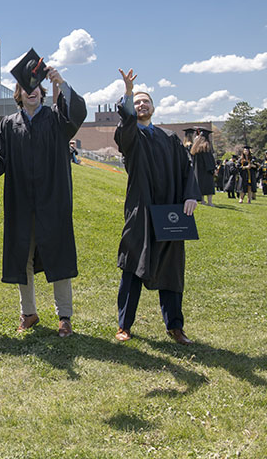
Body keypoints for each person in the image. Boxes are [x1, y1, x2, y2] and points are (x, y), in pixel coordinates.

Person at [0, 62, 87, 338]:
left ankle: (64, 316)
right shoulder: (9, 123)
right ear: (18, 94)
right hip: (20, 202)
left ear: (42, 93)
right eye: (25, 88)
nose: (31, 92)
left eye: (36, 88)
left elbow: (77, 112)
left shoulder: (56, 119)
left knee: (59, 256)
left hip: (53, 200)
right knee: (22, 258)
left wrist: (61, 83)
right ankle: (28, 312)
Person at [113, 69, 200, 346]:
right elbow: (124, 128)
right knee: (132, 267)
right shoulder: (130, 136)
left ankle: (175, 326)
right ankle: (124, 325)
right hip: (141, 211)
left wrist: (190, 196)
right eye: (136, 102)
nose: (141, 105)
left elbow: (188, 169)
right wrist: (128, 91)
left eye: (145, 101)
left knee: (172, 269)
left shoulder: (169, 138)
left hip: (170, 213)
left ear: (153, 107)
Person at [190, 130, 215, 206]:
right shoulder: (206, 146)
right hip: (206, 170)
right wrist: (212, 169)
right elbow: (209, 159)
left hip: (198, 170)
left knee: (200, 185)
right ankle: (210, 202)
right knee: (209, 185)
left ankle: (202, 201)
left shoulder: (195, 147)